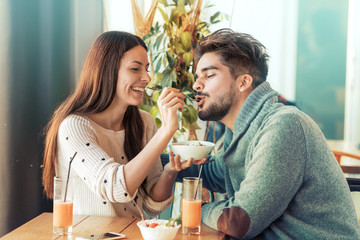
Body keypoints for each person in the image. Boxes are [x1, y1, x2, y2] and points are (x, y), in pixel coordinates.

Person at [177, 28, 360, 239]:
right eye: (198, 77)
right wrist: (152, 160)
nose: (196, 85)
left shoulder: (283, 125)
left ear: (243, 82)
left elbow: (238, 221)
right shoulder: (240, 130)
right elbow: (212, 173)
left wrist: (198, 209)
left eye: (209, 75)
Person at [42, 31, 202, 218]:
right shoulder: (74, 127)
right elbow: (114, 187)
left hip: (131, 233)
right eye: (135, 69)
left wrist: (170, 171)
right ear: (107, 70)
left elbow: (153, 206)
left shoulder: (144, 122)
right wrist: (166, 131)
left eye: (147, 68)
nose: (147, 78)